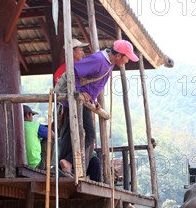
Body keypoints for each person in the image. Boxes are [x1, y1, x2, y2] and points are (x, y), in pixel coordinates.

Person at [54, 39, 138, 176]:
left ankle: (67, 165)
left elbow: (95, 83)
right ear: (118, 56)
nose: (127, 61)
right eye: (127, 58)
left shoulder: (109, 63)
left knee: (73, 133)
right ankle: (67, 163)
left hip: (85, 103)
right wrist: (79, 91)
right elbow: (74, 71)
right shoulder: (99, 60)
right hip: (76, 101)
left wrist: (93, 99)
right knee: (85, 134)